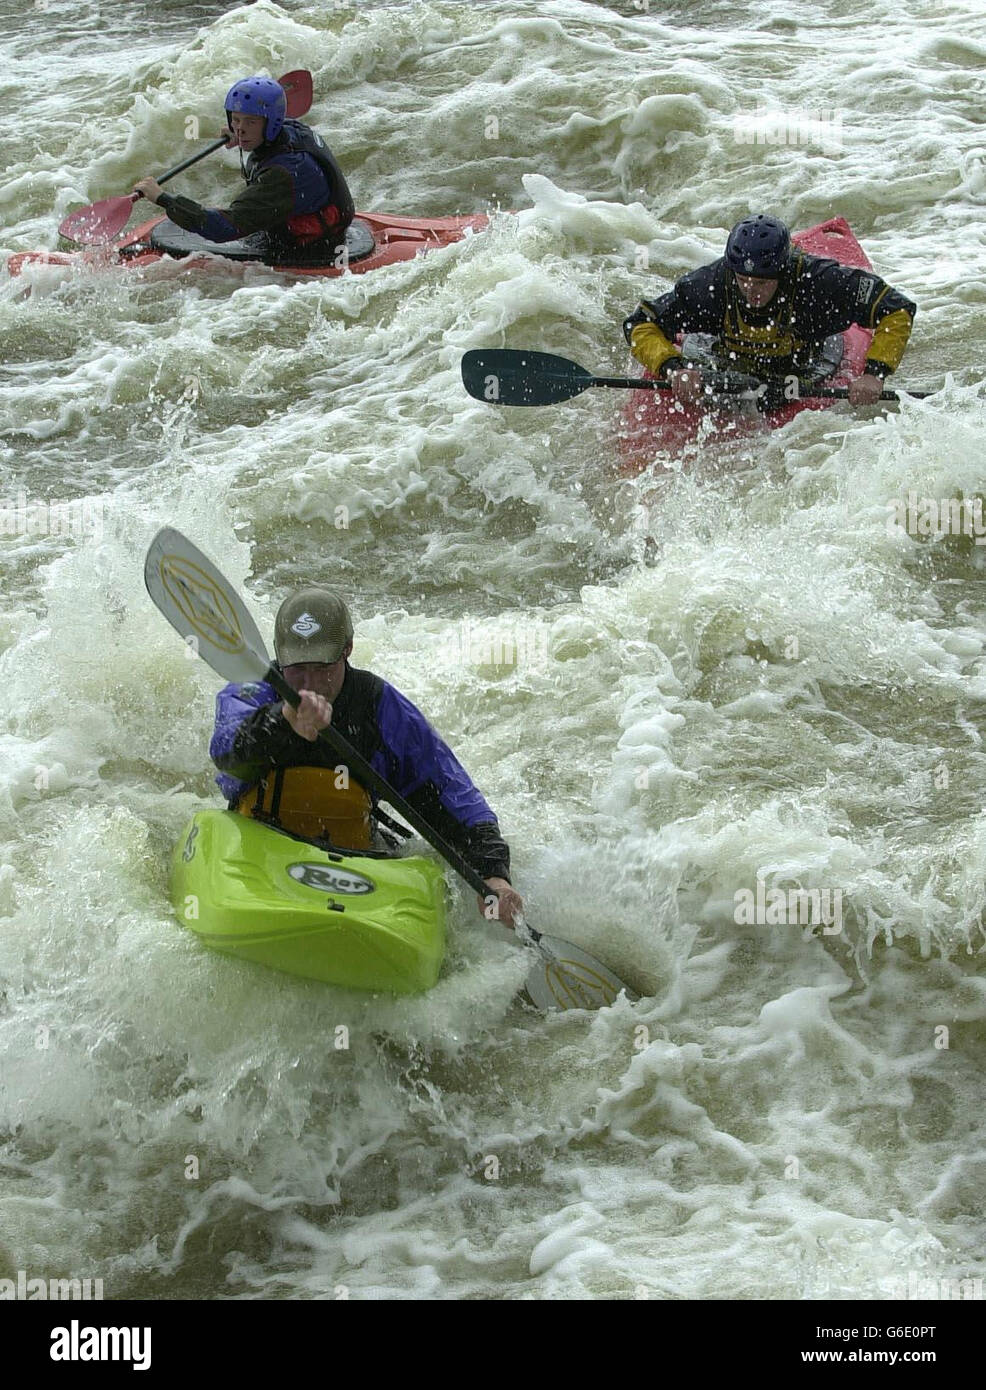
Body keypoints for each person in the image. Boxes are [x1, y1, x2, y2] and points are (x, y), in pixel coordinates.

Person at [209, 587, 524, 928]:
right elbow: (227, 753)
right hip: (261, 844)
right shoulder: (253, 688)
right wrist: (283, 722)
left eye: (322, 666)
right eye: (298, 667)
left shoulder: (379, 705)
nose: (309, 683)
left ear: (347, 650)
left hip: (353, 856)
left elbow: (450, 794)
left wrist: (494, 874)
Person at [623, 214, 916, 409]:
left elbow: (895, 307)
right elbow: (639, 323)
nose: (752, 290)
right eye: (744, 280)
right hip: (729, 368)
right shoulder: (710, 285)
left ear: (782, 271)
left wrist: (874, 374)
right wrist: (673, 369)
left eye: (762, 282)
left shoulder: (818, 284)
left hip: (803, 368)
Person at [132, 76, 354, 264]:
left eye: (251, 123)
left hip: (310, 249)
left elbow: (224, 229)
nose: (240, 129)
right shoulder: (293, 130)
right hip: (308, 226)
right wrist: (243, 137)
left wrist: (164, 199)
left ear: (271, 123)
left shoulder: (282, 176)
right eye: (236, 120)